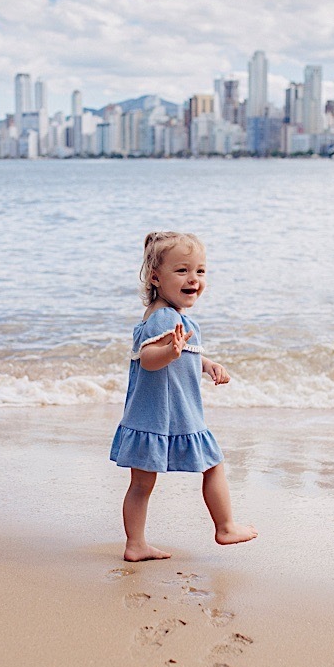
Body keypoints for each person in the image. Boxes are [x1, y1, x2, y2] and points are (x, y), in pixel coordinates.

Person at [109, 231, 258, 562]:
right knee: (213, 465)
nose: (194, 278)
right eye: (183, 271)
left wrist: (206, 364)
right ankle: (225, 526)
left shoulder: (172, 316)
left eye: (200, 271)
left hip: (155, 416)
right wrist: (170, 354)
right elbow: (148, 358)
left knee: (141, 485)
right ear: (156, 278)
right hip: (167, 414)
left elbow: (183, 351)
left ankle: (135, 544)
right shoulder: (164, 317)